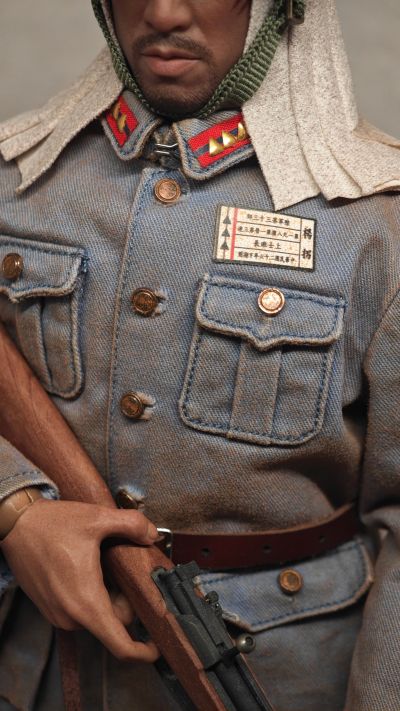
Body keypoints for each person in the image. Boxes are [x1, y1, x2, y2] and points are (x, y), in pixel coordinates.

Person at [0, 0, 399, 709]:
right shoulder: (21, 183)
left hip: (282, 674)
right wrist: (16, 511)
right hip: (45, 668)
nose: (163, 13)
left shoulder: (373, 222)